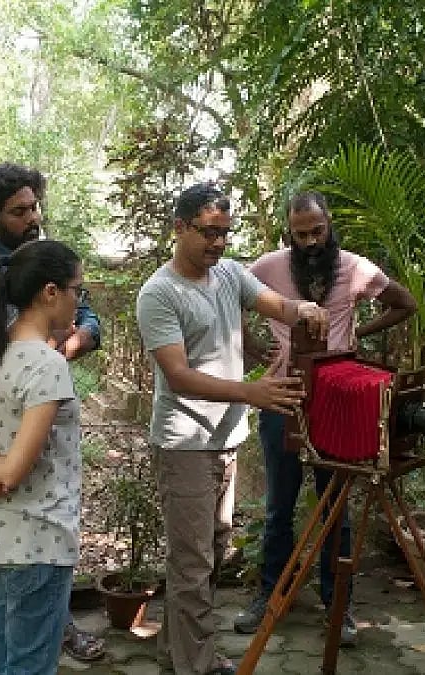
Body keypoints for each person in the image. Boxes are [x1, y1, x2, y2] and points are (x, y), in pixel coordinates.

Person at [135, 182, 329, 675]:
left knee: (213, 551)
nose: (218, 243)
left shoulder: (227, 275)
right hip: (184, 443)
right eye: (208, 232)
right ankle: (196, 665)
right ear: (179, 227)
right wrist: (252, 392)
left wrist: (302, 308)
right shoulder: (159, 293)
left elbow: (272, 303)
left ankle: (177, 654)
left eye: (225, 232)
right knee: (193, 562)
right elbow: (177, 375)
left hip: (225, 439)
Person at [234, 190, 417, 643]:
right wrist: (253, 349)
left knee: (335, 508)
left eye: (318, 231)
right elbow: (229, 298)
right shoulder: (268, 267)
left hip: (338, 402)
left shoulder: (354, 268)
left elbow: (405, 302)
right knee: (279, 506)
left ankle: (340, 606)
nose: (311, 241)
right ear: (289, 234)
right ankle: (269, 596)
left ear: (329, 225)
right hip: (284, 394)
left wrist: (356, 336)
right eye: (301, 235)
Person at [0, 162, 104, 672]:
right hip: (38, 538)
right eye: (77, 290)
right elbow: (15, 469)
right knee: (31, 662)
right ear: (50, 293)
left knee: (1, 655)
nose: (82, 301)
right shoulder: (46, 366)